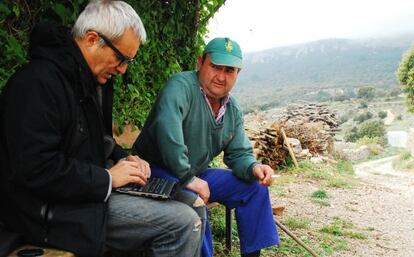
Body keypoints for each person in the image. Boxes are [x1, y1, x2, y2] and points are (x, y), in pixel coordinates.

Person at [0, 1, 201, 256]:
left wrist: (123, 158)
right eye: (121, 58)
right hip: (44, 212)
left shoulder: (91, 79)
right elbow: (34, 169)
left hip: (82, 196)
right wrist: (107, 178)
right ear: (93, 39)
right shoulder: (37, 84)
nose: (123, 69)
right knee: (183, 223)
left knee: (194, 205)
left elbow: (98, 140)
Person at [133, 37, 280, 257]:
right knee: (195, 203)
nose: (221, 77)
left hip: (195, 175)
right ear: (200, 63)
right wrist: (188, 179)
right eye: (215, 67)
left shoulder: (232, 109)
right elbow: (167, 132)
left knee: (255, 187)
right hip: (155, 172)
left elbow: (239, 153)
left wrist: (253, 167)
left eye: (229, 70)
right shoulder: (180, 87)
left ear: (237, 73)